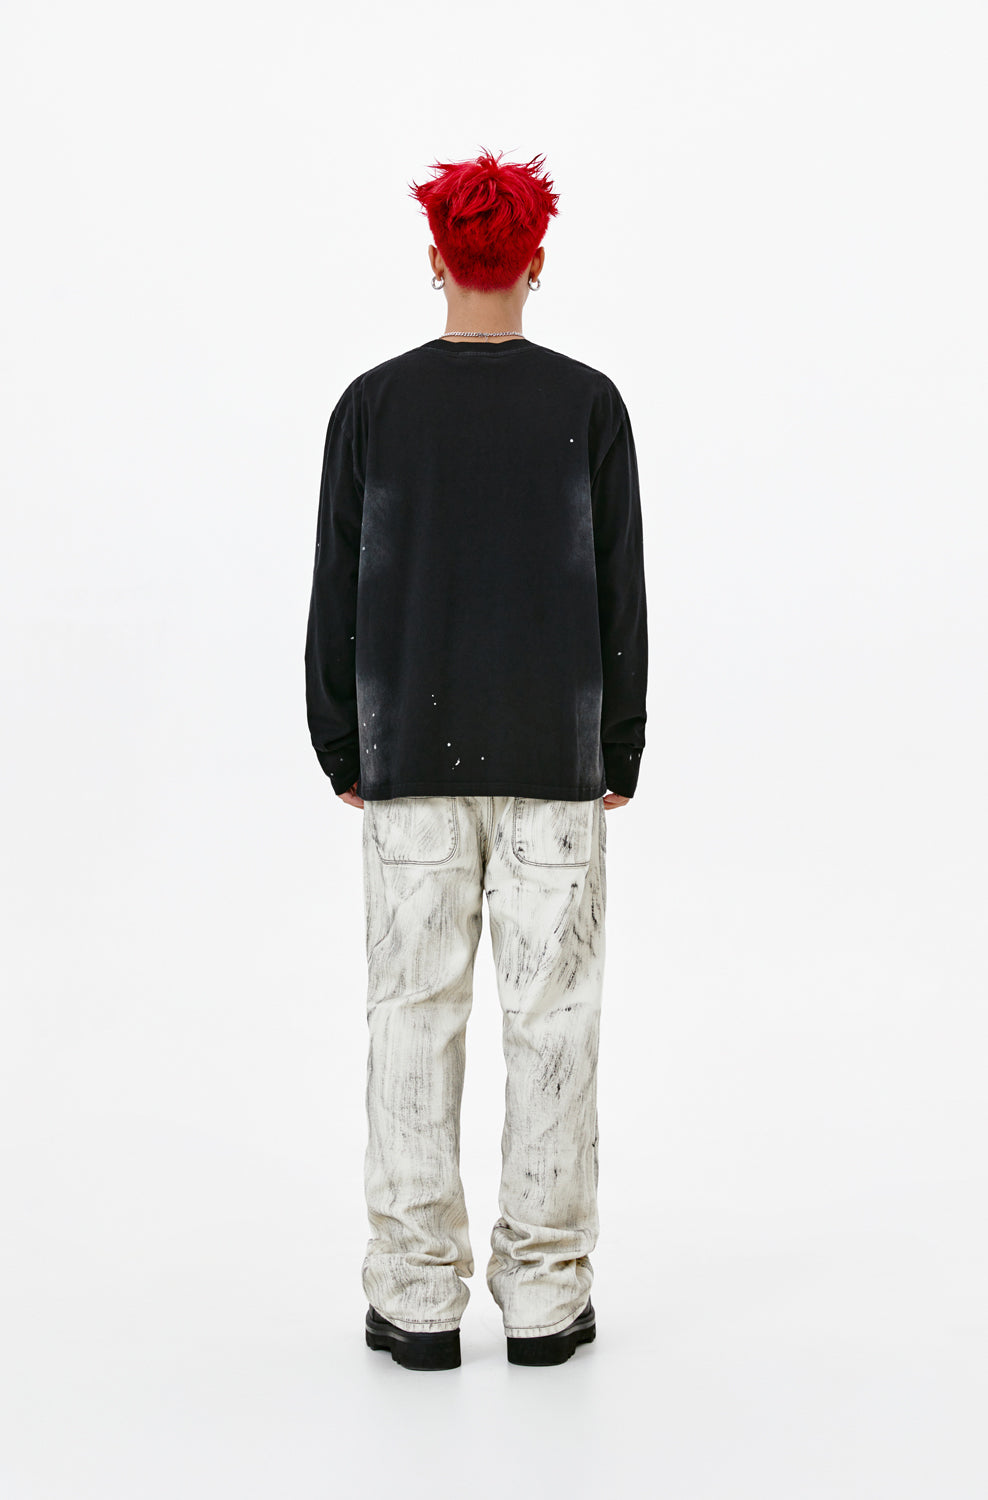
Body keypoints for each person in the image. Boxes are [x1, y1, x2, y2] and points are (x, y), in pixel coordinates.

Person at [305, 147, 648, 1371]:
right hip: (556, 760)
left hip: (409, 758)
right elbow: (618, 589)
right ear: (535, 261)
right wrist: (619, 744)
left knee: (413, 1019)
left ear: (435, 258)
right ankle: (546, 1300)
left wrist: (340, 741)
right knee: (554, 1025)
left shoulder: (374, 406)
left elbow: (337, 587)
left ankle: (415, 1300)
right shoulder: (587, 404)